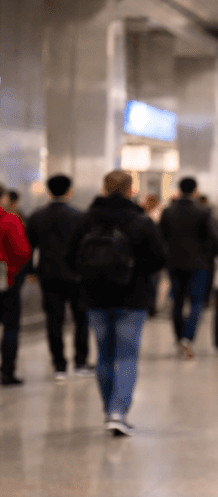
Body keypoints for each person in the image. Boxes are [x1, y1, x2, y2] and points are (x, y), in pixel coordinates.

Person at [62, 170, 168, 435]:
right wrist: (138, 271)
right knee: (128, 355)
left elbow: (69, 256)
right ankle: (118, 412)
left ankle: (109, 409)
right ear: (131, 189)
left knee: (104, 355)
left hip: (95, 298)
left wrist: (86, 276)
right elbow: (160, 258)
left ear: (104, 188)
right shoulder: (141, 221)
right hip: (132, 299)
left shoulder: (86, 220)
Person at [26, 174, 90, 380]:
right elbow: (85, 248)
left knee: (54, 320)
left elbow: (29, 248)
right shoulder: (80, 216)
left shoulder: (37, 216)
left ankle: (59, 366)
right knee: (81, 320)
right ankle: (80, 362)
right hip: (77, 276)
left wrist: (30, 272)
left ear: (48, 191)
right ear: (69, 191)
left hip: (48, 275)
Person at [159, 177, 218, 358]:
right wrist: (213, 257)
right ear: (195, 190)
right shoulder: (203, 212)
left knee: (177, 301)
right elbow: (213, 238)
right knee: (196, 301)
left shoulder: (168, 212)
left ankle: (178, 337)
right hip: (198, 264)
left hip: (174, 263)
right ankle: (188, 336)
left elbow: (160, 237)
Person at [0, 184, 33, 386]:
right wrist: (13, 270)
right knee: (10, 327)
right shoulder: (9, 219)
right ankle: (7, 371)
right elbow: (22, 252)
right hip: (7, 281)